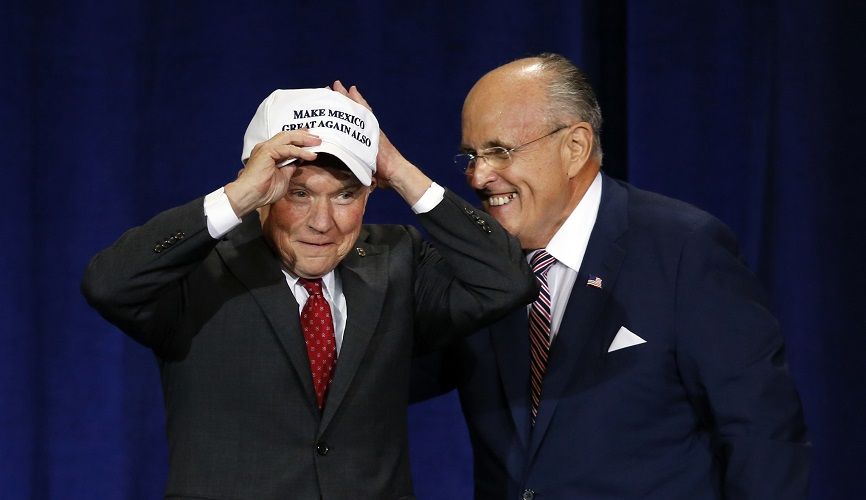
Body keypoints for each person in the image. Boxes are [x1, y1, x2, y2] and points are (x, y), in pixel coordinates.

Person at [81, 86, 535, 500]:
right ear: (259, 186)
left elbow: (507, 281)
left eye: (345, 195)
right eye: (298, 193)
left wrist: (400, 171)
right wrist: (237, 196)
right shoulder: (198, 272)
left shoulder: (397, 261)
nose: (322, 222)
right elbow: (109, 284)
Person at [409, 53, 810, 499]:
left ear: (575, 147)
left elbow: (762, 435)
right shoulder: (477, 268)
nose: (478, 176)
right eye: (471, 156)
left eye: (499, 151)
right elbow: (385, 379)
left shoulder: (684, 250)